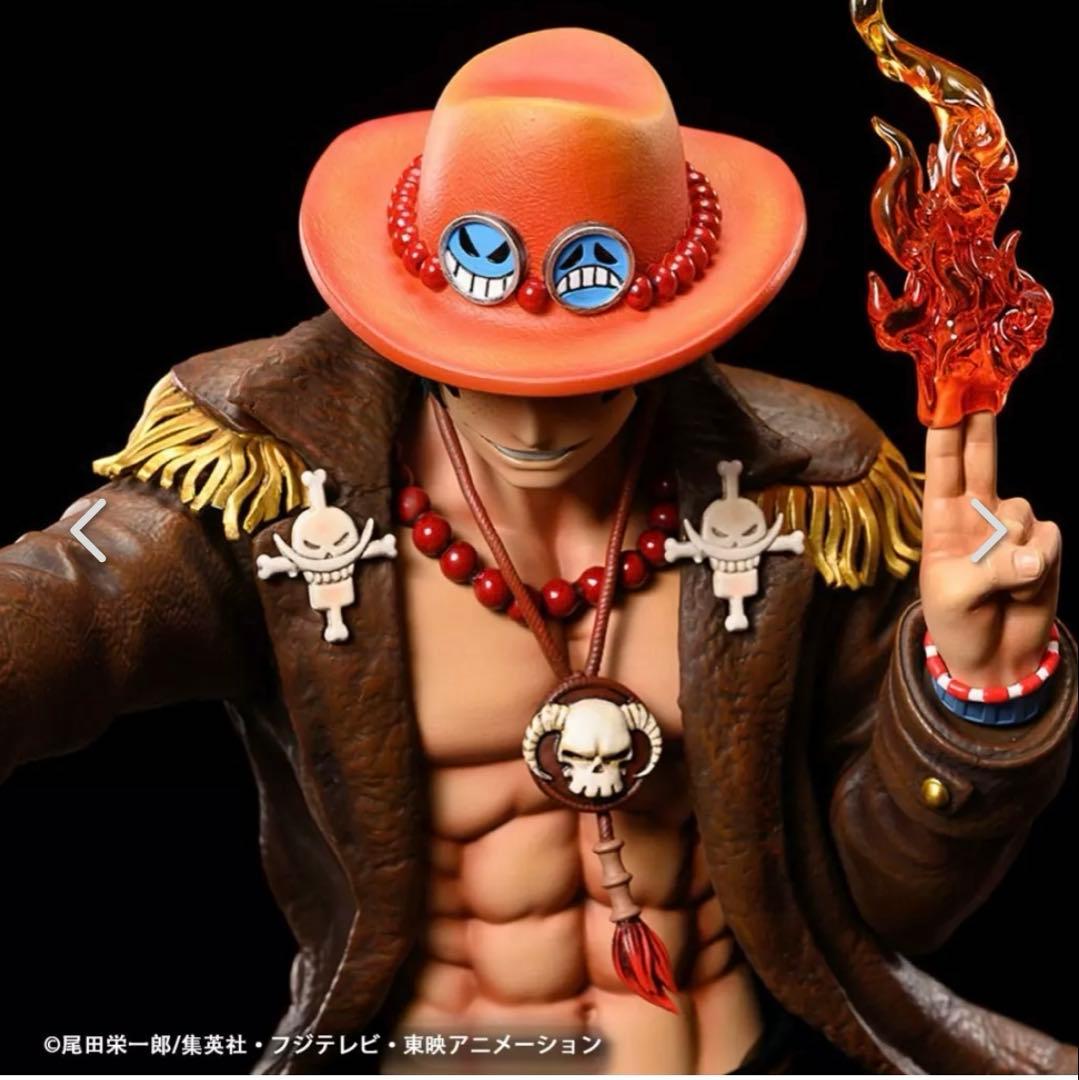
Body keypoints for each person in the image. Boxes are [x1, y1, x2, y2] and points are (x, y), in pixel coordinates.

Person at [1, 26, 1075, 1077]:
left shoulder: (811, 491)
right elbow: (75, 609)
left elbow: (891, 904)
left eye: (589, 376)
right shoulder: (271, 470)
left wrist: (974, 698)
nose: (531, 418)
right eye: (479, 370)